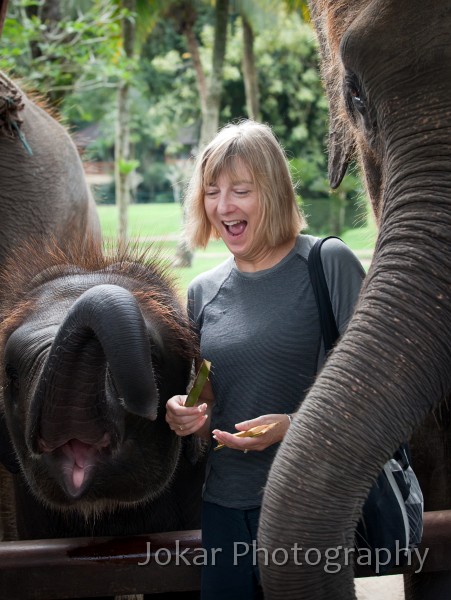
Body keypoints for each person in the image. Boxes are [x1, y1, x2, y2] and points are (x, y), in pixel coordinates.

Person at [165, 119, 365, 599]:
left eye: (241, 190)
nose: (223, 206)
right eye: (212, 191)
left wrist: (293, 427)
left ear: (272, 191)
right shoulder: (202, 293)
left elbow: (371, 394)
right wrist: (183, 411)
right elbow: (208, 390)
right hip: (223, 510)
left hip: (309, 504)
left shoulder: (327, 265)